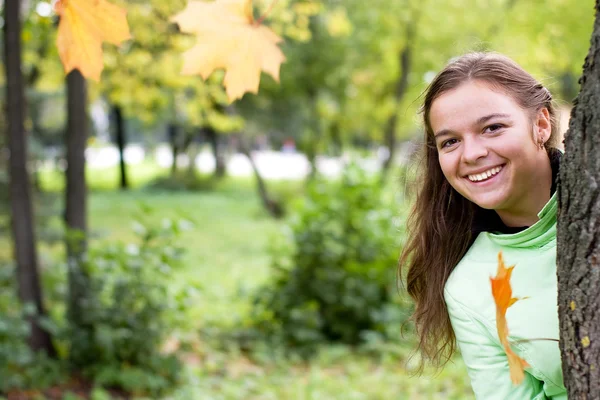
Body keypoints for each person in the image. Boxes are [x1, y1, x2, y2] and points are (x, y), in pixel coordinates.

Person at [399, 52, 566, 399]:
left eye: (492, 128)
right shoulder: (470, 286)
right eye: (450, 141)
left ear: (541, 125)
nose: (471, 153)